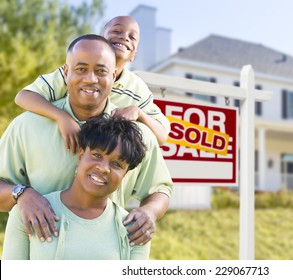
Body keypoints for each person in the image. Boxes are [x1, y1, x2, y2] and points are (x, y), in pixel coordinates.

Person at [0, 34, 172, 248]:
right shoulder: (26, 126)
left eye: (101, 71)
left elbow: (160, 189)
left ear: (114, 74)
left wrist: (150, 212)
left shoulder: (138, 135)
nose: (91, 79)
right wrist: (22, 194)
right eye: (81, 69)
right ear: (66, 72)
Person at [2, 116, 150, 260]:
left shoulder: (135, 229)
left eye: (117, 164)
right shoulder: (29, 212)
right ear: (80, 156)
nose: (104, 168)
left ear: (125, 174)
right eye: (97, 155)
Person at [15, 15, 169, 149]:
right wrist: (62, 117)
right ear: (100, 40)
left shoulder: (137, 88)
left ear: (134, 54)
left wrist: (139, 113)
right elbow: (24, 96)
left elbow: (162, 137)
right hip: (61, 145)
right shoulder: (74, 73)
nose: (124, 37)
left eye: (132, 37)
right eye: (116, 31)